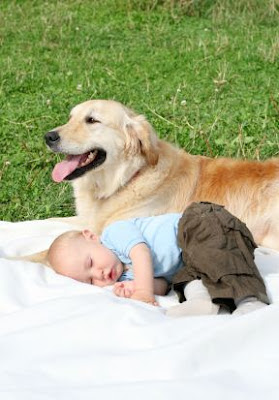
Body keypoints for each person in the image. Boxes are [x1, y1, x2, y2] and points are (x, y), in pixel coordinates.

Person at [47, 202, 269, 317]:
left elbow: (141, 253)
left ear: (91, 237)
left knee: (218, 256)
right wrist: (135, 286)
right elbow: (163, 286)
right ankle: (203, 301)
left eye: (91, 264)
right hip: (189, 259)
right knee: (185, 279)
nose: (99, 274)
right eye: (91, 281)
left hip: (198, 224)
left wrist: (142, 291)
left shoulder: (114, 235)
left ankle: (249, 300)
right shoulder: (123, 275)